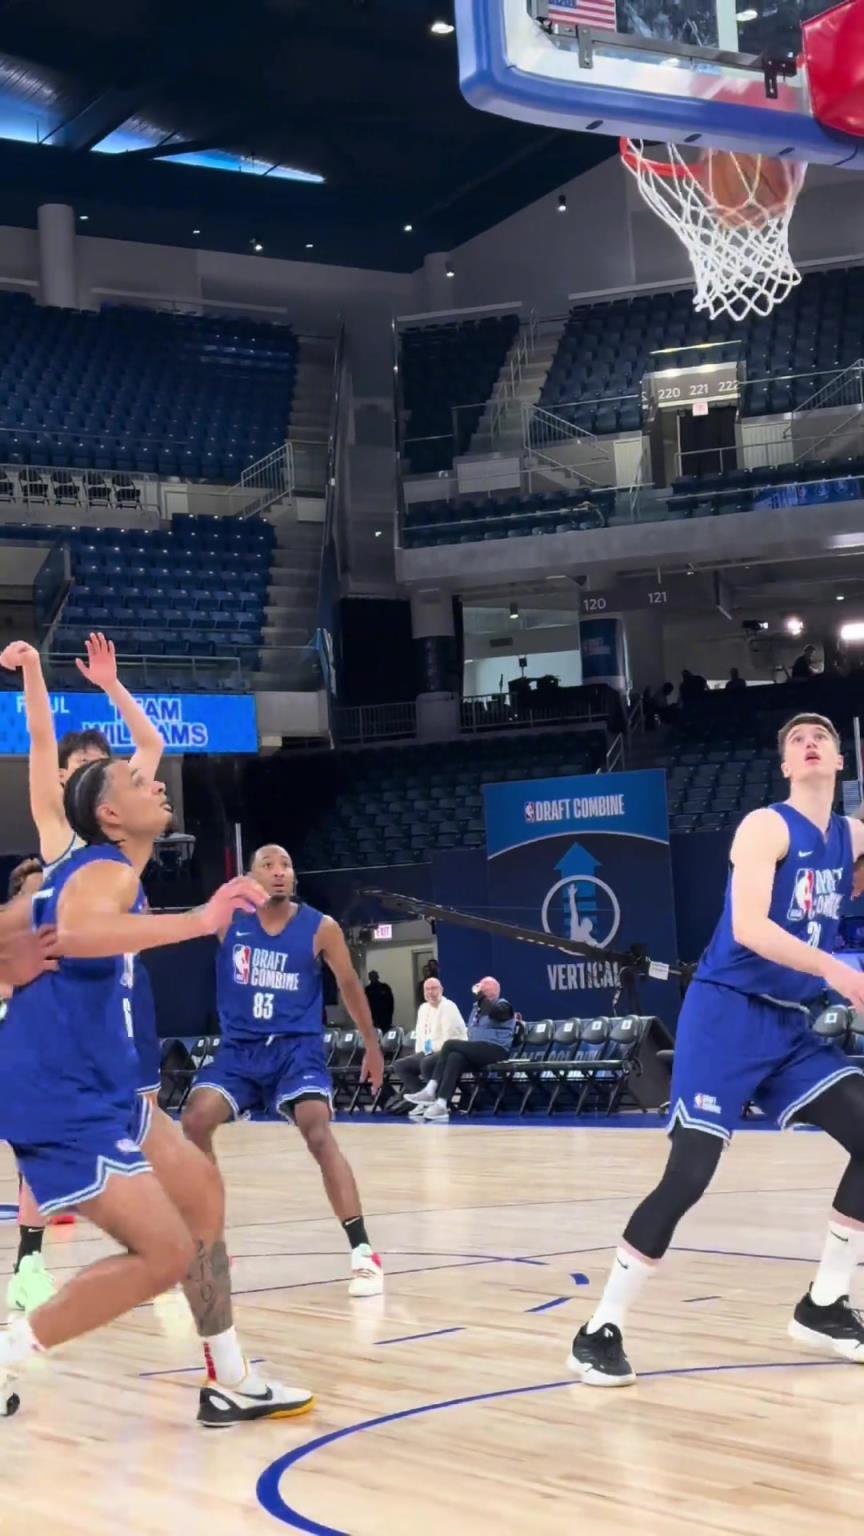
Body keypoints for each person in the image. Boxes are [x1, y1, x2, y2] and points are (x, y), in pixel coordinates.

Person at [0, 760, 312, 1424]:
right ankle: (8, 1353)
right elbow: (78, 936)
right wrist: (201, 918)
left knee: (201, 1190)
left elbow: (15, 925)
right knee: (165, 1251)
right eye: (139, 784)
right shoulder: (104, 870)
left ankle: (229, 1377)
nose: (159, 784)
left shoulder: (85, 876)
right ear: (110, 815)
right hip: (58, 1091)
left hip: (106, 1084)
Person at [568, 712, 864, 1387]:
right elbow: (753, 927)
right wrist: (839, 970)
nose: (809, 743)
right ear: (785, 765)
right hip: (725, 1015)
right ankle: (598, 1330)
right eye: (796, 740)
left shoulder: (850, 837)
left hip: (789, 1026)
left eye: (821, 738)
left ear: (840, 760)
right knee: (689, 1175)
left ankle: (825, 1304)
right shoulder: (765, 827)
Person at [0, 632, 167, 1310]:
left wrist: (111, 686)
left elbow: (151, 744)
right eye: (83, 769)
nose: (100, 775)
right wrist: (33, 670)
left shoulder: (127, 837)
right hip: (64, 1002)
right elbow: (41, 738)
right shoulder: (59, 833)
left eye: (107, 767)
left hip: (124, 995)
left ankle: (156, 1251)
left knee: (146, 1123)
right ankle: (29, 1264)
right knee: (55, 1135)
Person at [182, 844, 387, 1296]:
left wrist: (372, 1046)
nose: (279, 872)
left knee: (317, 1129)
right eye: (268, 865)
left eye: (286, 865)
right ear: (250, 877)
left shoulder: (321, 927)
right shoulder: (228, 921)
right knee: (194, 1120)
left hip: (297, 1051)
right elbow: (177, 926)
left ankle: (363, 1251)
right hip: (240, 1051)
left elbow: (349, 985)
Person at [1, 858, 59, 1315]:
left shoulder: (56, 942)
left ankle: (28, 1266)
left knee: (36, 1157)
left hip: (27, 1062)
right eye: (33, 891)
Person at [404, 976, 516, 1123]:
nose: (480, 988)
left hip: (496, 1050)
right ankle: (441, 1104)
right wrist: (481, 1000)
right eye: (480, 985)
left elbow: (494, 1012)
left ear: (494, 989)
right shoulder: (477, 1007)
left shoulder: (503, 1005)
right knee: (454, 1057)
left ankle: (430, 1089)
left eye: (484, 986)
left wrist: (481, 996)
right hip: (477, 1050)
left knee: (450, 1044)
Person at [394, 974, 467, 1116]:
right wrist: (419, 1053)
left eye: (434, 988)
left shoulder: (448, 1007)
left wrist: (428, 1053)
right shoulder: (423, 1008)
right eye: (427, 989)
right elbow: (420, 1035)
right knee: (400, 1065)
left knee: (426, 1062)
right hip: (428, 1051)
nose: (430, 992)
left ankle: (437, 1102)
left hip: (448, 1051)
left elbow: (449, 1039)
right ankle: (424, 1101)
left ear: (441, 990)